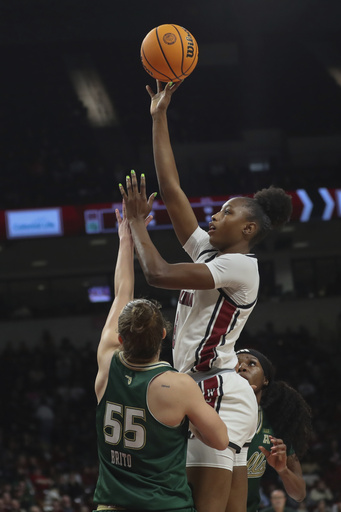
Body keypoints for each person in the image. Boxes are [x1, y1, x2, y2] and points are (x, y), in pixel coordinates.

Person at [118, 77, 293, 512]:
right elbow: (173, 189)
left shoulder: (239, 266)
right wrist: (159, 117)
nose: (214, 217)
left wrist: (138, 224)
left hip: (213, 387)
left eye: (226, 213)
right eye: (216, 211)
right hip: (211, 388)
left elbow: (157, 273)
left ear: (248, 229)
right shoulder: (213, 252)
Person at [93, 204, 229, 512]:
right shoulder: (177, 386)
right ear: (165, 336)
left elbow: (121, 293)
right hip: (164, 506)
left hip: (112, 505)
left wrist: (125, 239)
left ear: (120, 338)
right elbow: (221, 440)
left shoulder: (106, 359)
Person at [236, 348, 313, 512]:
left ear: (265, 380)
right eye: (235, 364)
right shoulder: (208, 412)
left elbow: (299, 494)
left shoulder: (274, 423)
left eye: (251, 363)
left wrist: (283, 470)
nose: (242, 367)